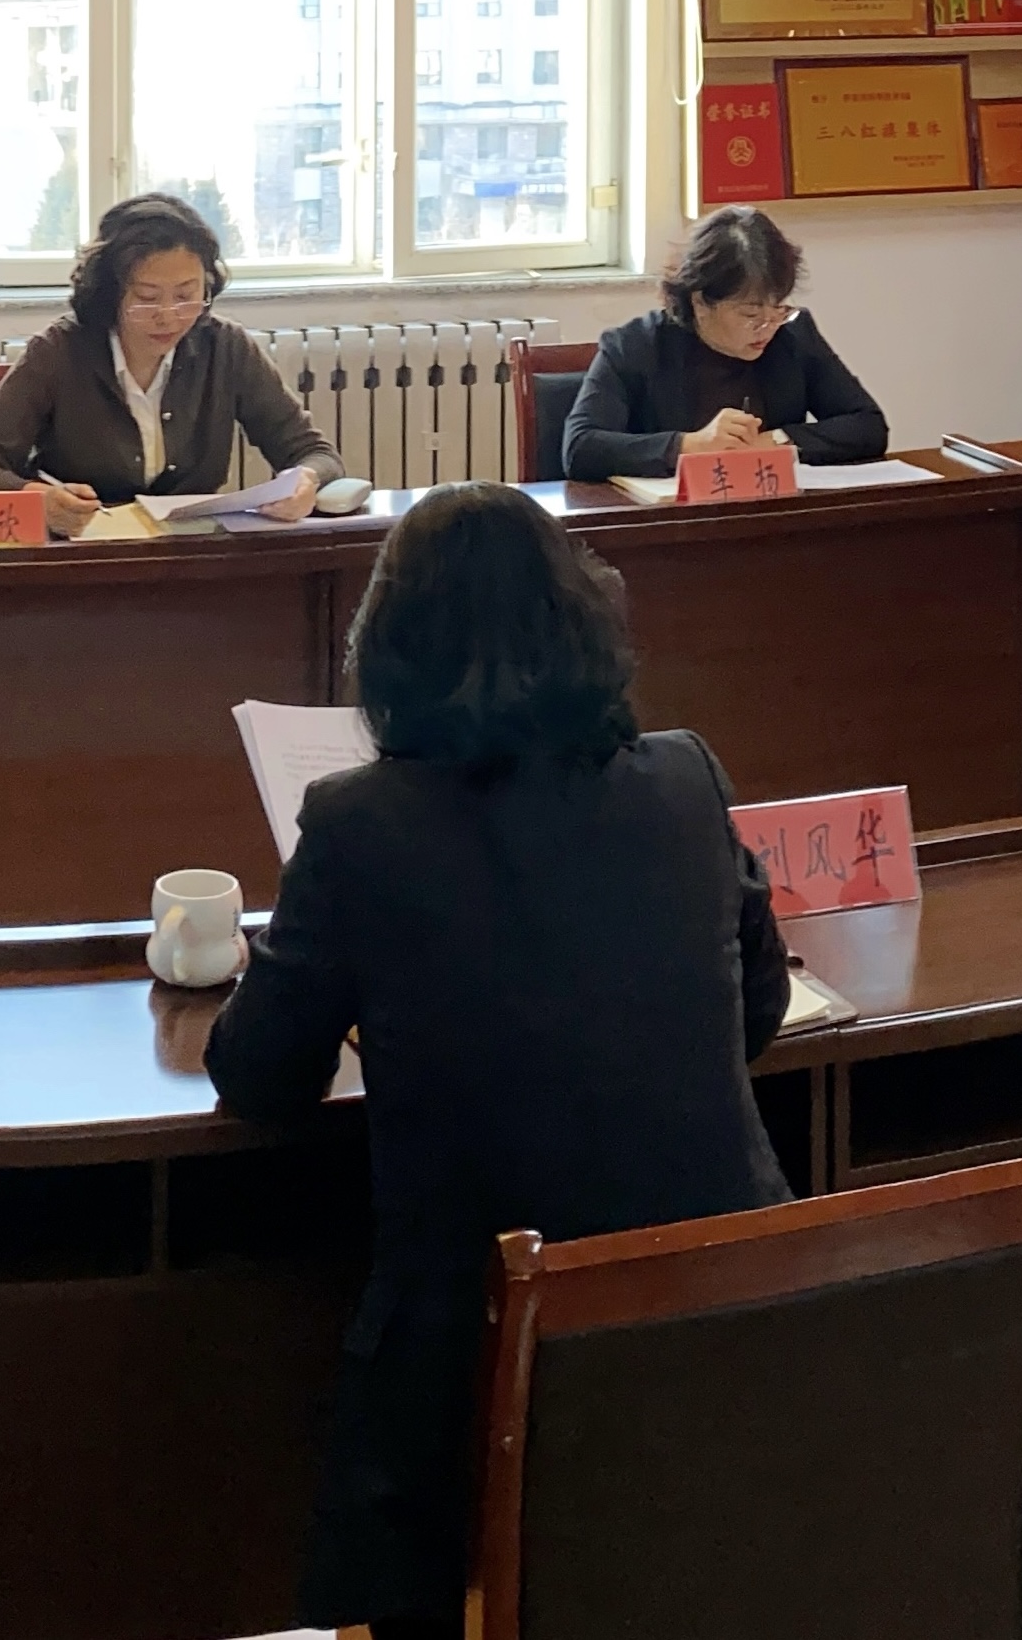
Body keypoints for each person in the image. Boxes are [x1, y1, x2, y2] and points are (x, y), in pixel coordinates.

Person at [204, 480, 793, 1640]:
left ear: (389, 652)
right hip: (726, 1321)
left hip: (488, 1359)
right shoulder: (685, 775)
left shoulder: (359, 821)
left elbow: (258, 1074)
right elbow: (759, 1011)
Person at [0, 191, 330, 533]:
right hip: (84, 556)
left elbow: (315, 453)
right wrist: (39, 499)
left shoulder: (226, 347)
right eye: (146, 298)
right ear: (110, 294)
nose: (168, 316)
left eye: (186, 295)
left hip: (193, 555)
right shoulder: (59, 351)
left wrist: (305, 482)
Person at [554, 206, 890, 477]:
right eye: (750, 313)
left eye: (778, 308)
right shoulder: (635, 346)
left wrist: (775, 440)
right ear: (701, 302)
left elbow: (867, 425)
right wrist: (690, 446)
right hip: (670, 526)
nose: (768, 327)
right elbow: (581, 448)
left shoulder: (793, 334)